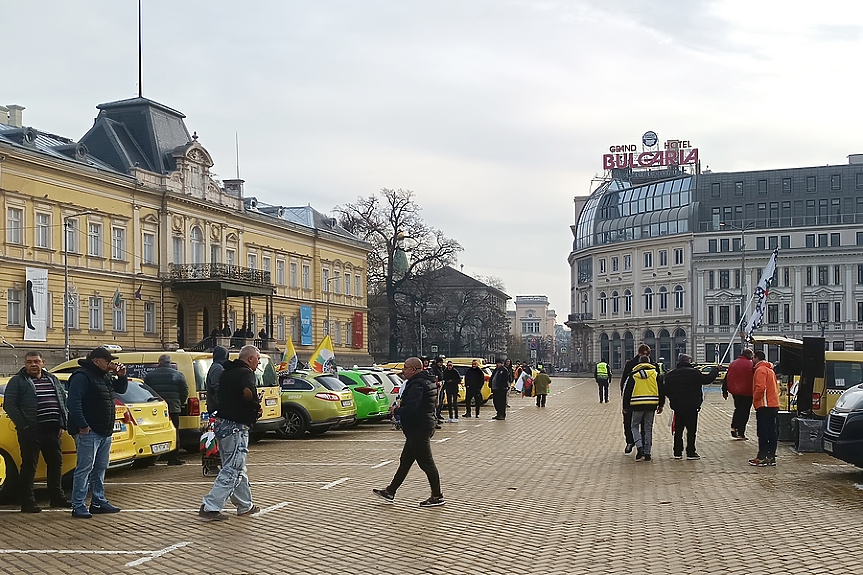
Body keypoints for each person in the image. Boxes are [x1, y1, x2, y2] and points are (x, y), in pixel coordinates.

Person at [199, 345, 263, 520]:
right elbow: (248, 392)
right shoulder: (245, 373)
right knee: (233, 467)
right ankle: (210, 506)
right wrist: (256, 407)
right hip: (236, 426)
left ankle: (245, 505)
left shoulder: (226, 372)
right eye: (258, 358)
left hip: (222, 423)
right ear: (250, 358)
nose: (259, 363)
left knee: (236, 465)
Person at [372, 357, 444, 507]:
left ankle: (437, 496)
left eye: (405, 368)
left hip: (419, 427)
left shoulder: (417, 384)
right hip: (420, 426)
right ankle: (390, 491)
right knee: (405, 461)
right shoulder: (427, 381)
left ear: (414, 369)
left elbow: (412, 408)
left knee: (426, 463)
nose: (402, 371)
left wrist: (397, 410)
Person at [67, 347, 129, 518]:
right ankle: (78, 504)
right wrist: (83, 425)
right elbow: (73, 403)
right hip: (89, 430)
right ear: (96, 361)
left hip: (104, 430)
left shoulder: (105, 376)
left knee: (100, 467)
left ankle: (98, 501)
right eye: (107, 361)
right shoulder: (82, 376)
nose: (111, 364)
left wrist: (122, 376)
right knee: (85, 468)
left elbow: (121, 390)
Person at [4, 350, 70, 512]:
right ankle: (28, 501)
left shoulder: (52, 379)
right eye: (29, 362)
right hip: (31, 431)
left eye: (36, 361)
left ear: (43, 362)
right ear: (25, 364)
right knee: (29, 465)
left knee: (55, 464)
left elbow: (62, 401)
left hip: (52, 430)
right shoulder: (18, 381)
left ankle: (56, 497)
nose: (33, 364)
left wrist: (62, 423)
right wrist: (25, 427)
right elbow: (10, 406)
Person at [663, 354, 718, 460]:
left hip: (678, 406)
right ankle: (691, 452)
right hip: (692, 405)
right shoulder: (694, 373)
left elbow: (665, 389)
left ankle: (677, 452)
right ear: (688, 361)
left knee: (678, 430)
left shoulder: (671, 375)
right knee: (691, 430)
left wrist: (672, 399)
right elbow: (707, 379)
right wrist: (715, 370)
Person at [144, 354, 189, 465]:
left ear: (159, 362)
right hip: (173, 408)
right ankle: (173, 457)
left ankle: (153, 457)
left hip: (156, 409)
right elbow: (184, 392)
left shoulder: (150, 376)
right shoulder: (178, 375)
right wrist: (178, 403)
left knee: (156, 432)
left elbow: (146, 391)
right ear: (170, 362)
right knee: (174, 431)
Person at [622, 355, 665, 462]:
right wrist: (661, 404)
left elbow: (627, 392)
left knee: (634, 426)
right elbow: (661, 390)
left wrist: (625, 406)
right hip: (651, 404)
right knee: (648, 428)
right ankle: (647, 453)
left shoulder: (634, 375)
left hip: (636, 405)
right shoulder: (655, 374)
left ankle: (639, 446)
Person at [619, 344, 653, 454]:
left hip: (636, 399)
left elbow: (624, 383)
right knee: (639, 424)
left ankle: (636, 444)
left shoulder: (648, 365)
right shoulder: (650, 365)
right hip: (645, 400)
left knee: (634, 423)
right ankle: (636, 443)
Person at [749, 350, 780, 467]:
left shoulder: (760, 370)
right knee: (772, 432)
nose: (752, 360)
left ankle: (761, 457)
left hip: (764, 404)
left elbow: (760, 387)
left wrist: (755, 400)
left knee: (762, 432)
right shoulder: (770, 370)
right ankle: (771, 456)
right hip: (773, 404)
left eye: (753, 358)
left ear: (756, 358)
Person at [724, 348, 755, 440]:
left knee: (738, 409)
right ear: (749, 355)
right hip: (748, 392)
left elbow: (727, 377)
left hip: (736, 392)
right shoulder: (751, 364)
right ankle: (741, 432)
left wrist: (724, 390)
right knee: (745, 412)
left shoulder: (733, 363)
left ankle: (734, 427)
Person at [206, 345, 229, 417]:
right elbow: (215, 387)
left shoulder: (216, 366)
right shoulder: (218, 368)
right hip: (216, 406)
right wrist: (220, 403)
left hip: (215, 404)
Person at [430, 357, 446, 423]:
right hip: (437, 387)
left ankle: (438, 414)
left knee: (441, 401)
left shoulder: (443, 368)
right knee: (437, 402)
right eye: (439, 362)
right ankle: (436, 416)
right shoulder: (434, 369)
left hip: (442, 386)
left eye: (441, 362)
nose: (441, 364)